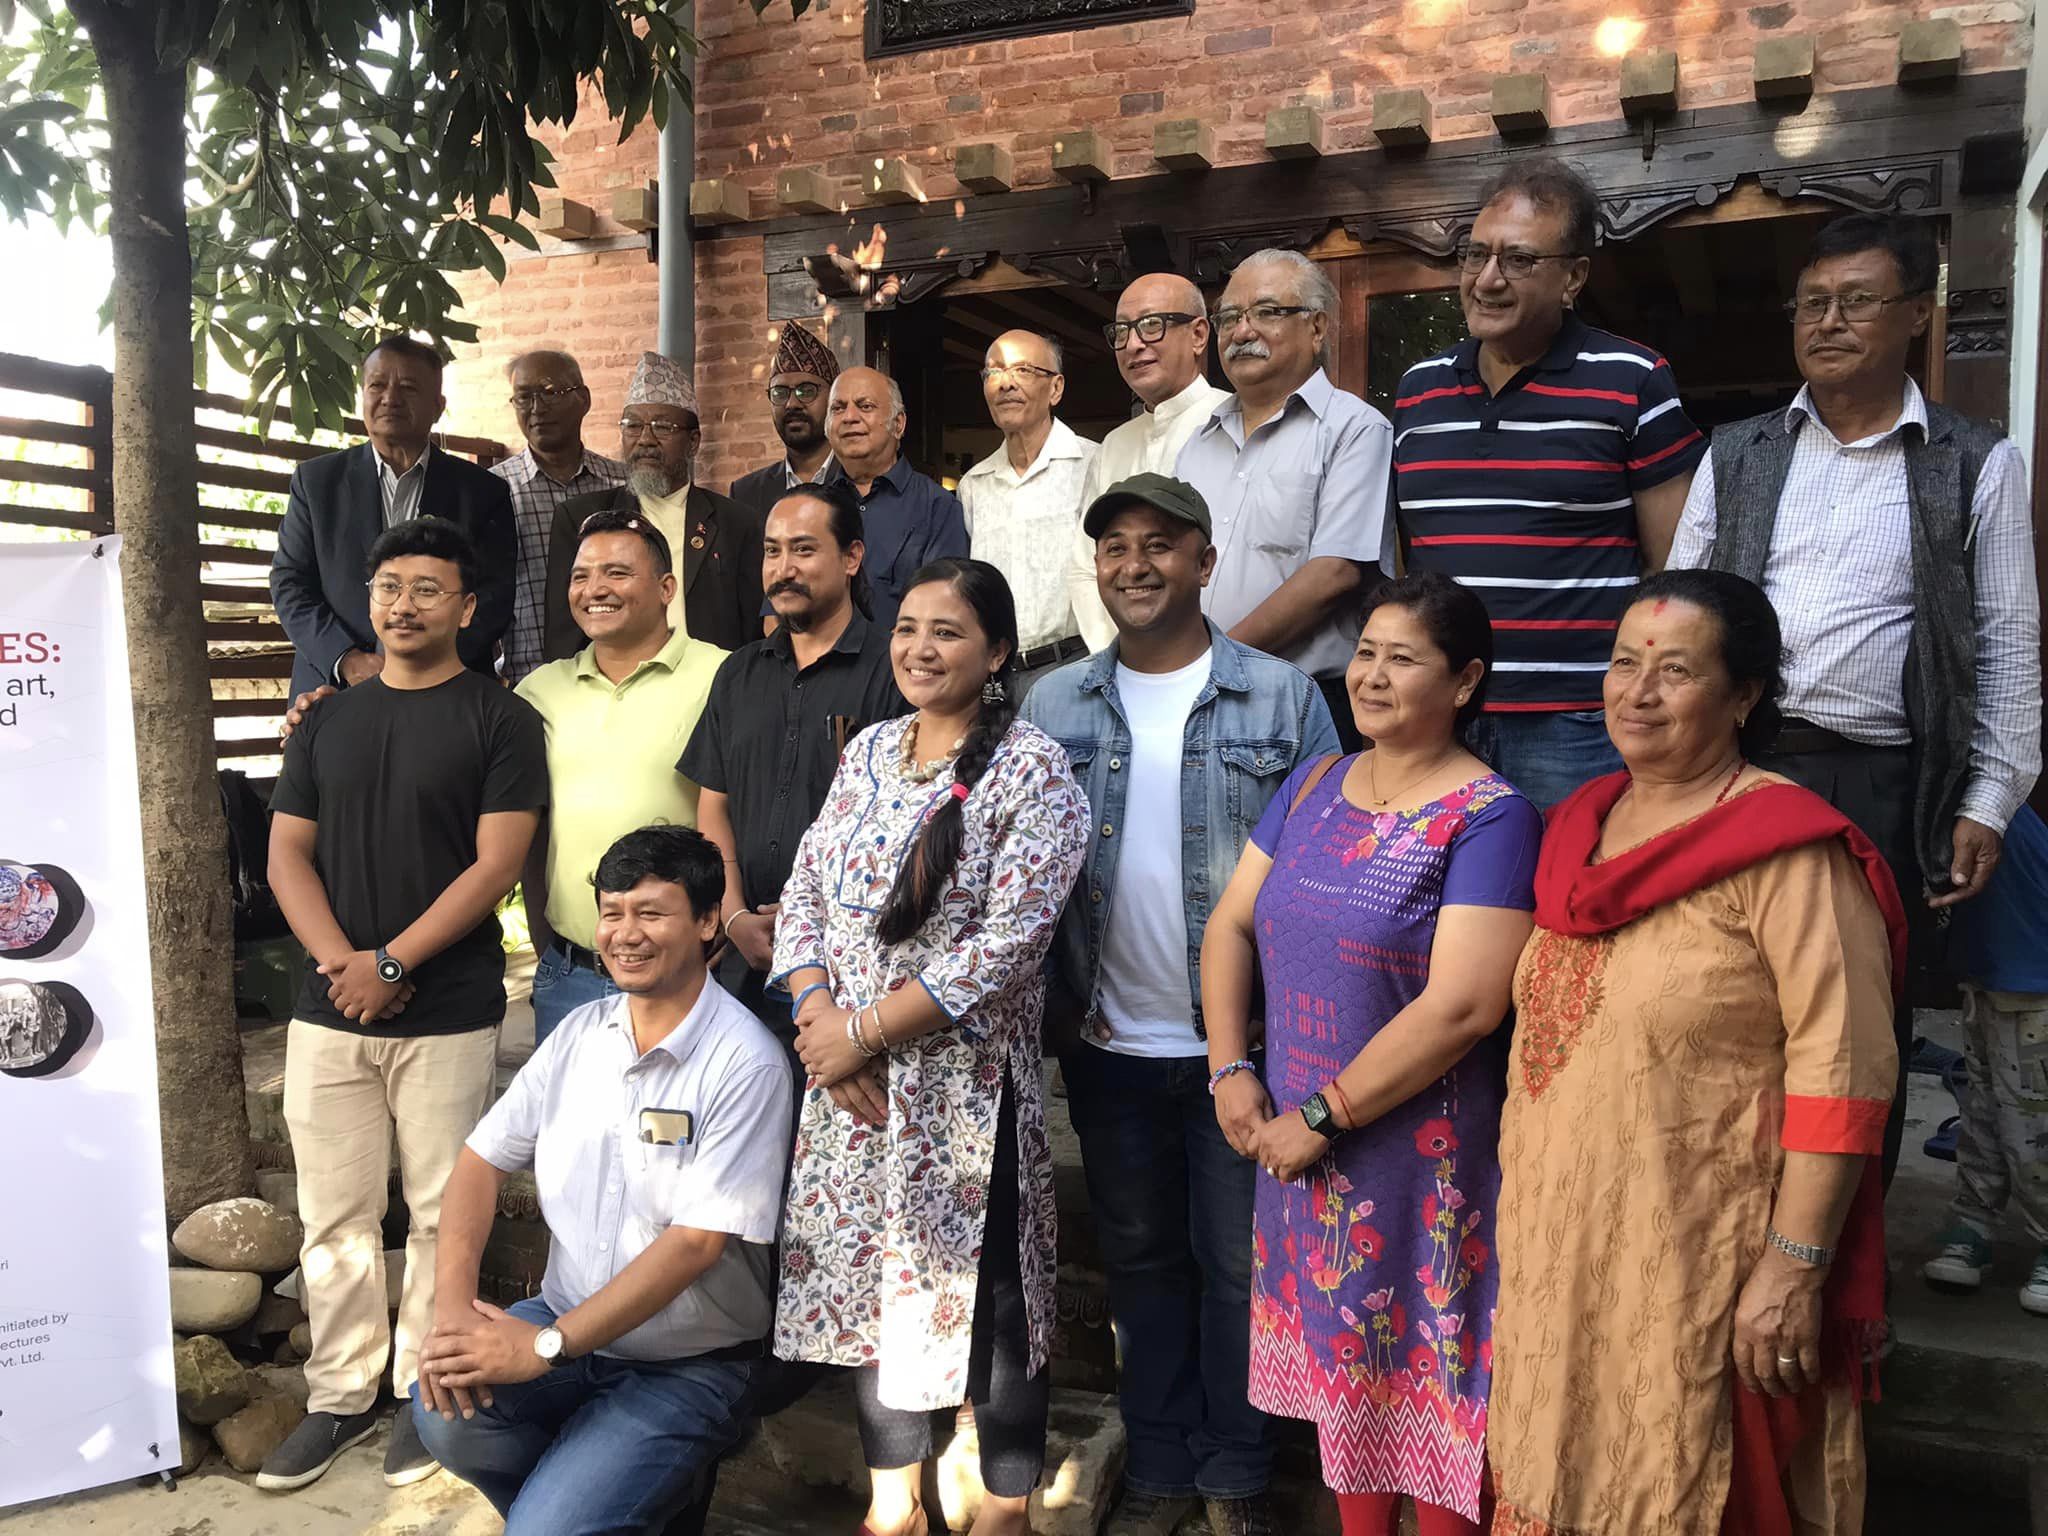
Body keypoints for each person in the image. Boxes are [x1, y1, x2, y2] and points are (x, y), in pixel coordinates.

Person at [1488, 569, 1903, 1535]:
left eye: (1674, 671)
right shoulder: (1577, 828)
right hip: (1562, 1239)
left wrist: (1793, 1267)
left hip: (1703, 1251)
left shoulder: (1789, 849)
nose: (1637, 692)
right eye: (1625, 663)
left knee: (1683, 1468)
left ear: (1746, 694)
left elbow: (1844, 1071)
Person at [1669, 211, 2040, 1183]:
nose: (1826, 321)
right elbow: (1681, 614)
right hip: (1741, 774)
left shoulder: (1974, 461)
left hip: (1881, 787)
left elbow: (2003, 642)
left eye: (1856, 301)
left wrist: (1987, 801)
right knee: (1726, 1012)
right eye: (1811, 303)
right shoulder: (1736, 451)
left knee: (1854, 1043)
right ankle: (1734, 1237)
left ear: (1915, 314)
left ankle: (1845, 1281)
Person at [1021, 473, 1337, 1536]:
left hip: (1235, 1054)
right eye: (1113, 546)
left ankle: (1237, 1473)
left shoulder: (1281, 697)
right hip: (1105, 1042)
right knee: (1142, 1261)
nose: (1134, 564)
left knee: (1239, 1267)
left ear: (1204, 562)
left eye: (1159, 544)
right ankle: (1157, 1462)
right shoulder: (1052, 702)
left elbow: (1322, 873)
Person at [1199, 571, 1541, 1536]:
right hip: (1295, 1146)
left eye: (1404, 659)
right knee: (1350, 1390)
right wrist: (1231, 1068)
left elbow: (1466, 1005)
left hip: (1417, 1157)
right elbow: (1230, 926)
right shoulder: (1314, 783)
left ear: (1466, 681)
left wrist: (1323, 1115)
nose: (1373, 676)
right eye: (1365, 653)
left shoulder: (1491, 817)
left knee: (1431, 1387)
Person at [770, 558, 1089, 1536]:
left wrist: (859, 1034)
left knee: (989, 1307)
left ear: (995, 652)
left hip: (963, 1100)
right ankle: (894, 1502)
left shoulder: (1034, 773)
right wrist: (821, 1022)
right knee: (878, 1292)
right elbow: (806, 897)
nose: (919, 648)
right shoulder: (867, 750)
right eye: (907, 627)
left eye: (946, 632)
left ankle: (1002, 1506)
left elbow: (1004, 951)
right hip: (854, 1090)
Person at [259, 516, 548, 1494]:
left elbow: (497, 862)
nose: (404, 603)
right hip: (325, 1009)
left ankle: (428, 1390)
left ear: (465, 608)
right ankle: (338, 1396)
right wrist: (343, 961)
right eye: (390, 587)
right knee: (332, 1216)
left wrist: (393, 961)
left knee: (439, 1217)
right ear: (369, 602)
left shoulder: (499, 718)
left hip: (450, 1008)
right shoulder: (328, 716)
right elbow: (285, 853)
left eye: (428, 588)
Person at [411, 825, 794, 1536]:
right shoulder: (579, 1033)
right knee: (442, 1409)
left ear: (709, 922)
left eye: (652, 913)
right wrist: (454, 1312)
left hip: (688, 1366)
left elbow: (696, 1245)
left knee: (546, 1528)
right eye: (612, 912)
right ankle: (617, 1503)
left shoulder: (746, 1062)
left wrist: (544, 1348)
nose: (626, 933)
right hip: (563, 1324)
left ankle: (589, 1504)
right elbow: (479, 1162)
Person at [1392, 157, 1706, 811]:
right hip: (1438, 715)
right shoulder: (1419, 390)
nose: (1487, 279)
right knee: (1444, 906)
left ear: (1573, 277)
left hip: (1576, 725)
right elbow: (1409, 558)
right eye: (1474, 255)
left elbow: (1674, 567)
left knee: (1569, 905)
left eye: (1519, 260)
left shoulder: (1633, 379)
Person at [679, 482, 904, 1037]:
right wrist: (732, 918)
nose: (784, 568)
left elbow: (905, 828)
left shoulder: (895, 671)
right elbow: (714, 806)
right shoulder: (739, 673)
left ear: (851, 557)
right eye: (772, 551)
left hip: (852, 965)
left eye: (804, 549)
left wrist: (810, 923)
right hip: (743, 960)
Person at [515, 510, 727, 1045]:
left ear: (665, 588)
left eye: (617, 573)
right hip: (570, 974)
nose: (594, 590)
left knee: (677, 1129)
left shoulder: (724, 675)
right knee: (571, 1131)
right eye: (581, 576)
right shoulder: (540, 690)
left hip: (684, 975)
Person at [1177, 248, 1392, 750]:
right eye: (1229, 317)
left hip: (1305, 701)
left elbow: (1335, 573)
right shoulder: (1197, 443)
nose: (1242, 331)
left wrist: (1214, 660)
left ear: (1316, 328)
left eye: (1268, 312)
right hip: (1195, 692)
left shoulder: (1354, 429)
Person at [271, 335, 517, 701]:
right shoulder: (317, 482)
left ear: (438, 406)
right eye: (377, 385)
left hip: (447, 689)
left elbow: (493, 595)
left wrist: (421, 666)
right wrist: (348, 660)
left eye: (408, 387)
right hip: (333, 688)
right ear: (363, 396)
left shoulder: (483, 492)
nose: (390, 398)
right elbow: (291, 582)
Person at [542, 351, 765, 655]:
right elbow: (564, 635)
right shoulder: (582, 517)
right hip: (613, 690)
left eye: (662, 427)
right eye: (632, 426)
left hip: (712, 692)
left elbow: (752, 634)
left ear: (694, 442)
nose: (645, 439)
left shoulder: (736, 523)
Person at [1920, 802, 2048, 1314]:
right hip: (1986, 973)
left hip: (2033, 980)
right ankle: (1973, 1221)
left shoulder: (2002, 799)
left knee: (2032, 1122)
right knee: (1980, 1108)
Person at [1067, 273, 1228, 653]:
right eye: (1122, 331)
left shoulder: (1232, 419)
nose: (1134, 344)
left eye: (1151, 325)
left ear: (1199, 335)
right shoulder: (1115, 444)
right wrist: (1119, 655)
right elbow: (1083, 565)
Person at [957, 330, 1098, 690]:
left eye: (1023, 370)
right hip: (996, 676)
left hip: (1074, 667)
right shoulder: (974, 484)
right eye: (994, 372)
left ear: (1056, 389)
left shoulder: (1093, 464)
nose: (1005, 384)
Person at [493, 349, 628, 681]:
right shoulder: (494, 490)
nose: (537, 409)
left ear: (583, 399)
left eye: (550, 392)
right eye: (524, 397)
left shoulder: (623, 485)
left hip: (618, 674)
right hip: (530, 680)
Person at [821, 366, 969, 628]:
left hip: (899, 665)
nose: (849, 417)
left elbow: (946, 609)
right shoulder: (811, 507)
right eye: (838, 408)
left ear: (898, 424)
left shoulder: (937, 508)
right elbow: (780, 609)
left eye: (865, 406)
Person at [728, 322, 839, 516]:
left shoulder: (862, 482)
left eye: (806, 391)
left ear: (833, 398)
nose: (791, 404)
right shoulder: (746, 494)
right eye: (780, 393)